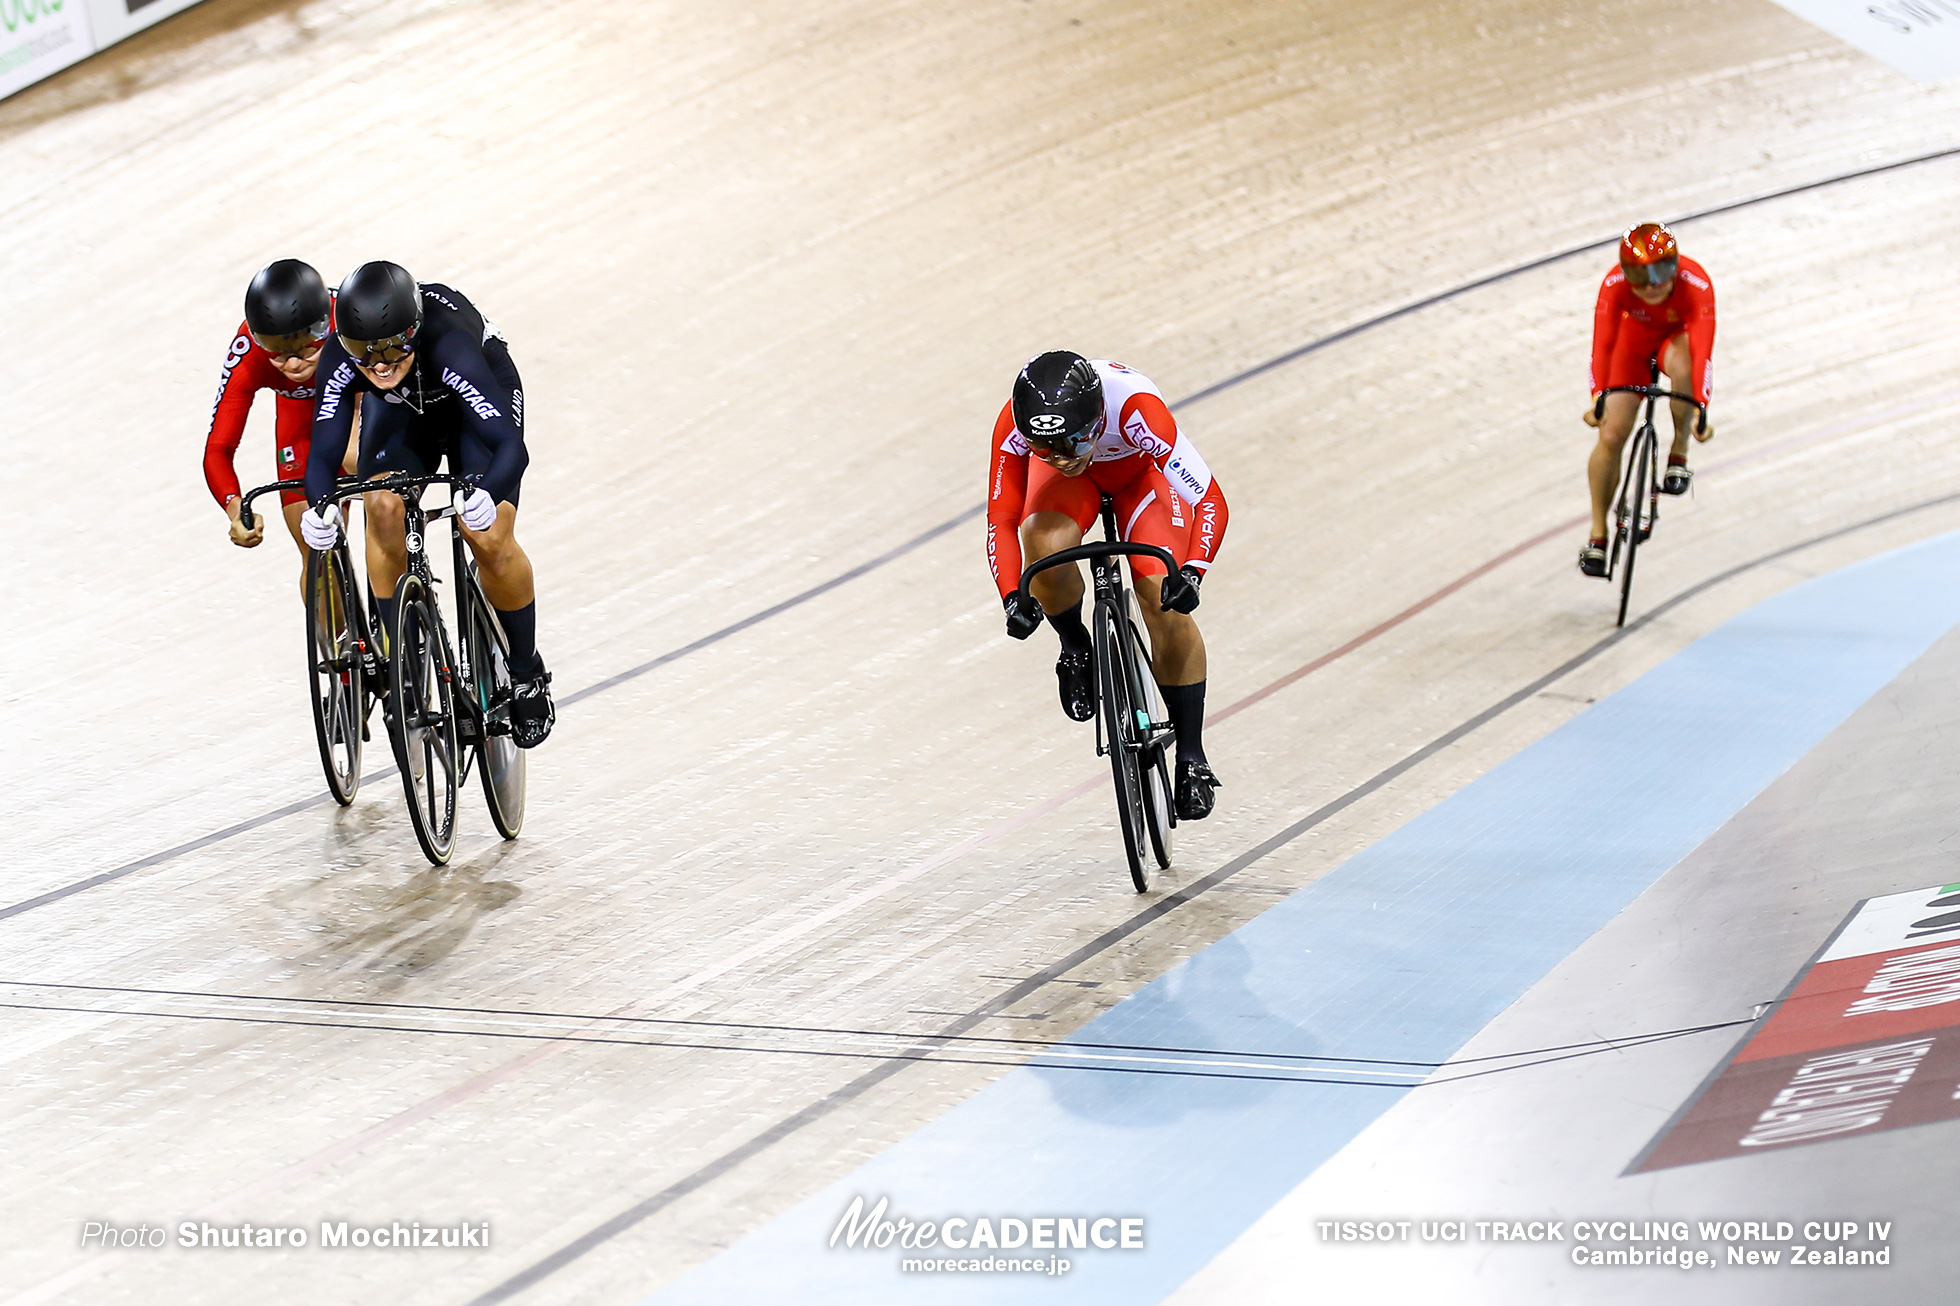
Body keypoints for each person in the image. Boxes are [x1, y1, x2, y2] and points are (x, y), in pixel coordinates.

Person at [300, 261, 555, 749]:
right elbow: (324, 454)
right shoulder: (344, 357)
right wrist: (321, 507)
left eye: (393, 348)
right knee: (381, 505)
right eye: (363, 353)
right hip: (402, 410)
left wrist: (486, 492)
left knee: (489, 535)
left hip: (474, 403)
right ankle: (406, 652)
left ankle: (525, 671)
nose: (378, 365)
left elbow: (510, 449)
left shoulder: (450, 346)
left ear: (413, 331)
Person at [987, 351, 1229, 819]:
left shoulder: (1138, 411)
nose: (1061, 456)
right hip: (1064, 491)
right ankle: (1076, 645)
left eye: (1074, 442)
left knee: (1162, 598)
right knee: (1041, 542)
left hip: (1138, 479)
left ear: (1098, 420)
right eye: (1045, 447)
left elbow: (1210, 500)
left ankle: (1192, 758)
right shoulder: (1018, 427)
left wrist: (1194, 571)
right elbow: (1001, 517)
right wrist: (1012, 595)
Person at [1579, 221, 1716, 577]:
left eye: (1662, 271)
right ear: (1625, 274)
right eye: (1639, 277)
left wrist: (1701, 408)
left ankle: (1679, 450)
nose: (1652, 284)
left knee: (1685, 365)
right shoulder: (1613, 285)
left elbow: (1703, 353)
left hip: (1675, 341)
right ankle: (1598, 533)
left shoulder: (1696, 283)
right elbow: (1603, 346)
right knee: (1611, 435)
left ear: (1676, 265)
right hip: (1632, 344)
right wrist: (1598, 398)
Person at [203, 260, 352, 579]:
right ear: (258, 340)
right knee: (317, 552)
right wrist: (235, 510)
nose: (294, 362)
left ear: (325, 325)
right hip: (300, 423)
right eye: (277, 351)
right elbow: (218, 449)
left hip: (358, 403)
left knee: (382, 502)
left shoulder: (349, 319)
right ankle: (339, 628)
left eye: (306, 346)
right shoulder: (248, 354)